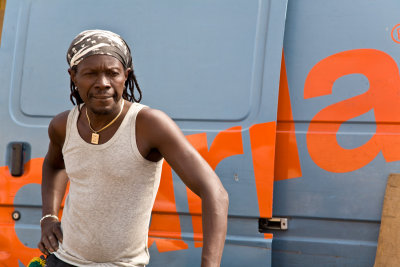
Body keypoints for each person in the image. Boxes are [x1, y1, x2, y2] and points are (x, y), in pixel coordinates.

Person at [38, 29, 229, 267]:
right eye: (90, 74)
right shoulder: (62, 125)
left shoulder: (149, 125)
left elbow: (215, 193)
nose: (103, 84)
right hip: (63, 260)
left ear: (126, 76)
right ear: (73, 76)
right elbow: (55, 166)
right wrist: (48, 217)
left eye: (112, 73)